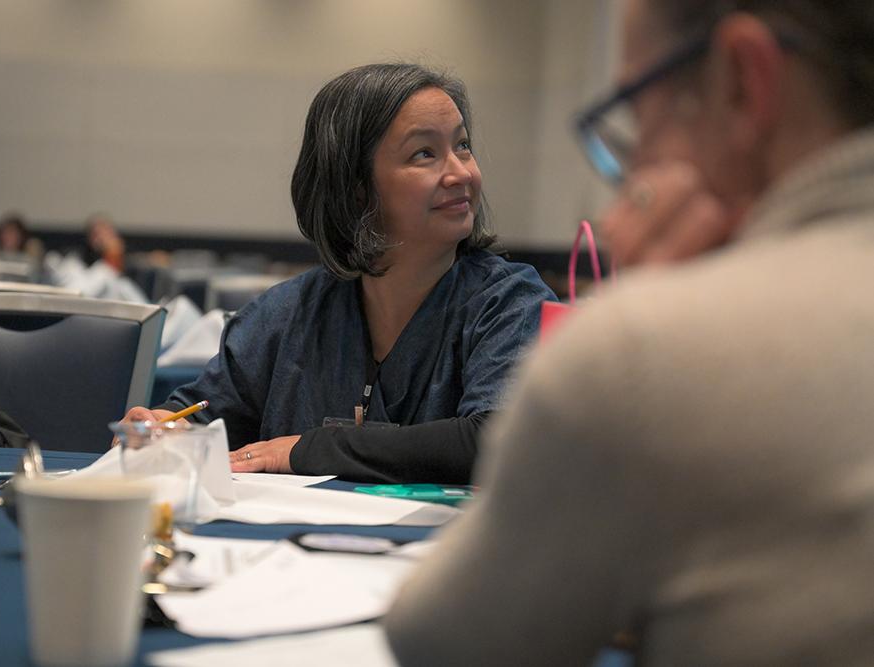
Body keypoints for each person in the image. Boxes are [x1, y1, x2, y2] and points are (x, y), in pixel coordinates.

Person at [385, 2, 874, 665]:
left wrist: (653, 310)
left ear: (741, 79)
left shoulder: (650, 349)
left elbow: (446, 643)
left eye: (638, 109)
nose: (636, 157)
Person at [122, 63, 555, 483]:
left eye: (462, 145)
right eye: (425, 153)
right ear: (356, 188)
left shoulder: (510, 302)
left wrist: (310, 449)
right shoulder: (286, 314)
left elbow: (498, 438)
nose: (462, 172)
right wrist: (162, 428)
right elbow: (204, 419)